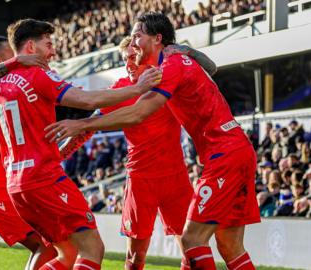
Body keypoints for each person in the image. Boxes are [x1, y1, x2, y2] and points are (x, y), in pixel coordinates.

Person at [45, 12, 260, 270]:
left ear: (157, 39)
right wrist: (59, 155)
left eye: (137, 38)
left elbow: (137, 113)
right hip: (146, 176)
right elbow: (93, 120)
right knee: (227, 245)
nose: (130, 58)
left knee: (191, 242)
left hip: (194, 168)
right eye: (125, 57)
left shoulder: (165, 72)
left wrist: (80, 121)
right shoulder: (135, 83)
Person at [0, 18, 160, 270]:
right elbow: (86, 100)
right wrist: (137, 89)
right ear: (31, 47)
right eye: (48, 44)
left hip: (16, 184)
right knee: (92, 248)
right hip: (44, 177)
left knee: (66, 253)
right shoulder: (38, 74)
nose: (53, 51)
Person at [58, 36, 217, 270]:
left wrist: (185, 50)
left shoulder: (168, 79)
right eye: (124, 60)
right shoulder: (122, 88)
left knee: (191, 250)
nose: (128, 64)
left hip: (176, 178)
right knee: (135, 258)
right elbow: (90, 126)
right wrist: (60, 155)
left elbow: (209, 72)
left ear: (145, 56)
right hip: (140, 181)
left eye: (132, 57)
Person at [0, 32, 57, 270]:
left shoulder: (2, 89)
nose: (20, 59)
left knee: (53, 244)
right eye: (13, 56)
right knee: (47, 247)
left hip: (1, 182)